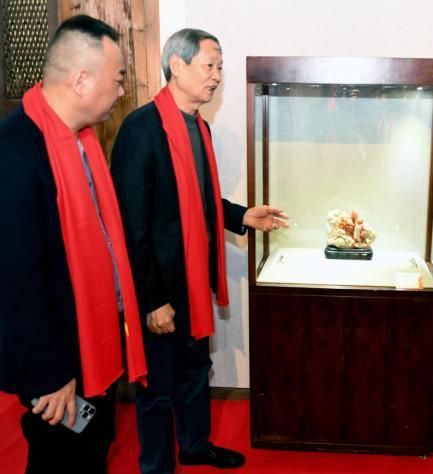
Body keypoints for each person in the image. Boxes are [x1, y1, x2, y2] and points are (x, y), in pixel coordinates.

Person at [110, 28, 288, 473]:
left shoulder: (199, 127)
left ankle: (194, 445)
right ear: (177, 65)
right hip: (160, 289)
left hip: (193, 282)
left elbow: (199, 200)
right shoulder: (141, 130)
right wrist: (152, 300)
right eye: (210, 66)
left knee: (194, 370)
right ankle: (156, 466)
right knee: (157, 388)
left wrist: (243, 215)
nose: (217, 77)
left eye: (220, 68)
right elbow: (132, 225)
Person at [0, 15, 148, 473]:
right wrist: (51, 374)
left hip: (93, 339)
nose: (121, 91)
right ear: (81, 80)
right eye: (117, 78)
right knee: (61, 459)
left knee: (93, 447)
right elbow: (17, 281)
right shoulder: (16, 149)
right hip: (58, 359)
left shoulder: (81, 140)